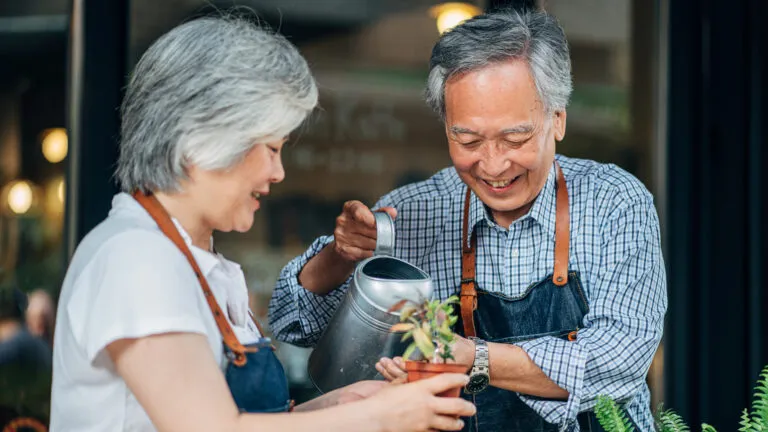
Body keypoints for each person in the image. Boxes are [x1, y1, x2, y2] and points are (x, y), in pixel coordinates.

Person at [49, 15, 474, 432]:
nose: (278, 172)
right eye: (271, 148)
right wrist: (382, 417)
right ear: (205, 137)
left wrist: (343, 404)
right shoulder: (136, 258)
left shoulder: (189, 258)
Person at [269, 8, 667, 432]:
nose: (493, 165)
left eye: (514, 138)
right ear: (446, 128)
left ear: (558, 119)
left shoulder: (613, 201)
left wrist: (475, 358)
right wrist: (340, 256)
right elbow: (295, 326)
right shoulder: (413, 212)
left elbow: (620, 359)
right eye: (469, 140)